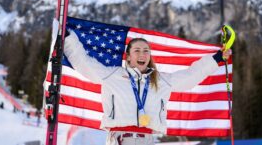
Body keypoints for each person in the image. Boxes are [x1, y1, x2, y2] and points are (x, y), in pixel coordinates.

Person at [64, 31, 232, 145]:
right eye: (137, 50)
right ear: (128, 57)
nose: (142, 54)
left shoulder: (160, 80)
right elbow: (84, 63)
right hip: (119, 139)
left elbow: (190, 76)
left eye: (146, 51)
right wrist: (67, 38)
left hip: (148, 140)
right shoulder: (112, 75)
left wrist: (216, 58)